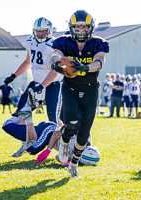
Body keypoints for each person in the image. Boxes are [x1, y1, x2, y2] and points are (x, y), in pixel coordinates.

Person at [40, 10, 109, 178]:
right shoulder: (63, 42)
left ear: (90, 28)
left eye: (84, 28)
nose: (80, 32)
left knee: (84, 134)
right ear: (71, 29)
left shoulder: (98, 43)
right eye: (77, 29)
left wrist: (86, 67)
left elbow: (99, 62)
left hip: (91, 90)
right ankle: (64, 143)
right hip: (70, 88)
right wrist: (55, 65)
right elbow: (53, 58)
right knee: (70, 125)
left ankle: (73, 164)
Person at [4, 17, 63, 156]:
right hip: (36, 84)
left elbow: (54, 71)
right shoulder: (30, 41)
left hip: (53, 84)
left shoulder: (56, 44)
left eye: (43, 31)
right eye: (38, 31)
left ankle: (59, 149)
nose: (40, 34)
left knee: (53, 119)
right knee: (21, 116)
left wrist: (42, 85)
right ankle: (28, 142)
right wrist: (14, 75)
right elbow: (27, 62)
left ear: (49, 31)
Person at [2, 116, 95, 166]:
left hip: (47, 135)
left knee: (31, 145)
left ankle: (26, 133)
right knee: (33, 149)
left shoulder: (75, 156)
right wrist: (48, 150)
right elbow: (57, 133)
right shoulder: (82, 137)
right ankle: (26, 118)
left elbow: (58, 158)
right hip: (50, 130)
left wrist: (69, 160)